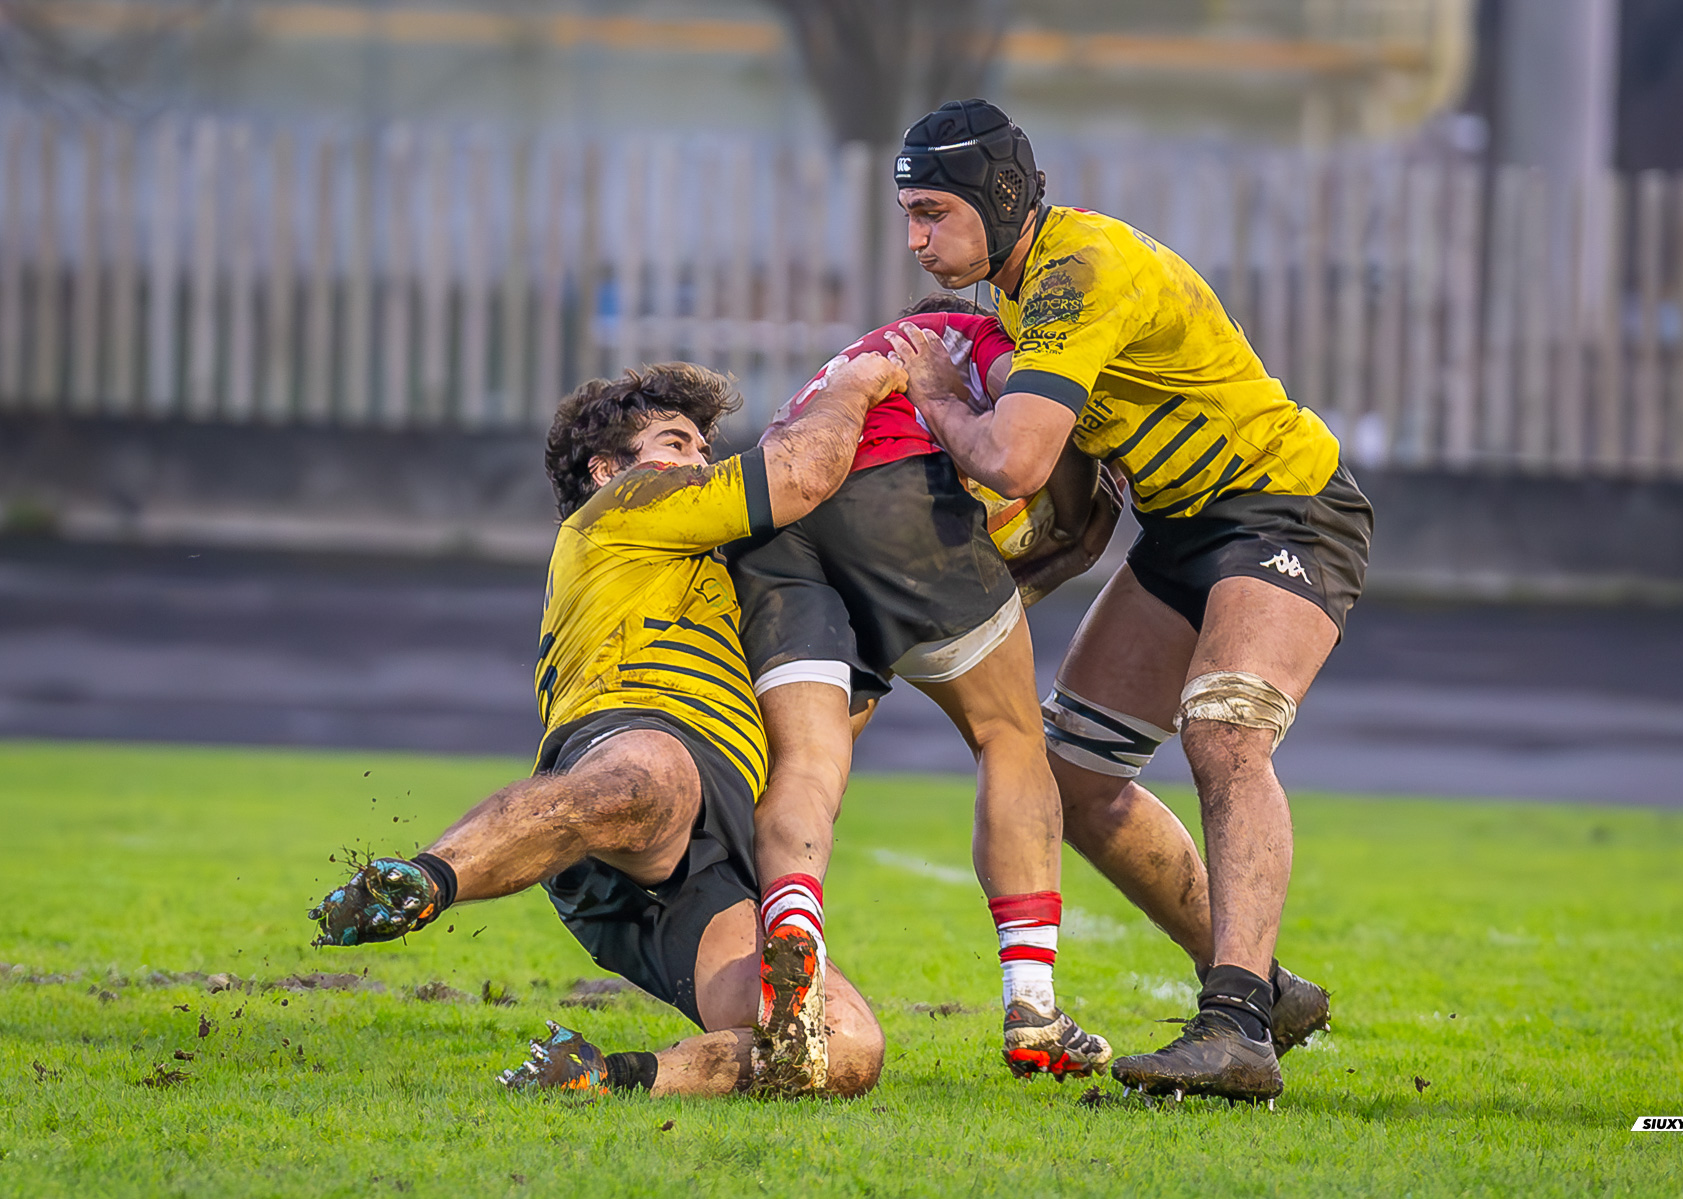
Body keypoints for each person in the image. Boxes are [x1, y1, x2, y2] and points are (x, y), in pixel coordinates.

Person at [888, 99, 1371, 1103]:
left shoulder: (1076, 274)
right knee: (1068, 777)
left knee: (1228, 732)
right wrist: (996, 594)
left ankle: (1233, 1026)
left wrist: (935, 396)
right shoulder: (1025, 293)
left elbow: (1017, 458)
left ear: (999, 197)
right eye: (907, 213)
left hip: (1286, 508)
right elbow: (1080, 514)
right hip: (1187, 528)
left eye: (932, 209)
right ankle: (1264, 990)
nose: (915, 237)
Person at [307, 358, 904, 1099]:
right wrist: (859, 380)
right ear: (604, 468)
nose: (699, 462)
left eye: (703, 448)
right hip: (637, 744)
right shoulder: (631, 504)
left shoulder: (717, 573)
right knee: (651, 780)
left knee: (845, 1047)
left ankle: (605, 1077)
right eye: (677, 442)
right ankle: (420, 881)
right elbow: (803, 472)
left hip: (709, 866)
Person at [727, 293, 1121, 1092]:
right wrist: (1076, 520)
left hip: (776, 524)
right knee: (1008, 734)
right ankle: (1034, 1006)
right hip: (894, 497)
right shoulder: (963, 336)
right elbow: (1034, 442)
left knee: (807, 760)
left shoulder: (836, 371)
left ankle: (792, 921)